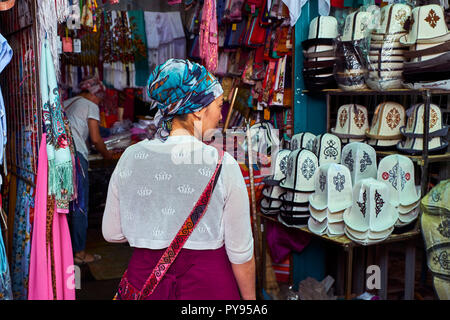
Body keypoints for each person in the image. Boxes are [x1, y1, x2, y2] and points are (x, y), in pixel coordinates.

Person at [102, 59, 256, 300]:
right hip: (208, 289)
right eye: (218, 105)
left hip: (145, 284)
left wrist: (153, 229)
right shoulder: (224, 164)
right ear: (197, 110)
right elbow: (241, 254)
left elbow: (111, 233)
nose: (220, 115)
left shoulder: (131, 156)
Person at [63, 76, 113, 265]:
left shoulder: (67, 102)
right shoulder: (90, 105)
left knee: (66, 205)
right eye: (100, 100)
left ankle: (66, 250)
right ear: (94, 95)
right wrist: (108, 156)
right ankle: (79, 253)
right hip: (76, 157)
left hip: (60, 156)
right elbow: (95, 138)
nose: (99, 103)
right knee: (80, 205)